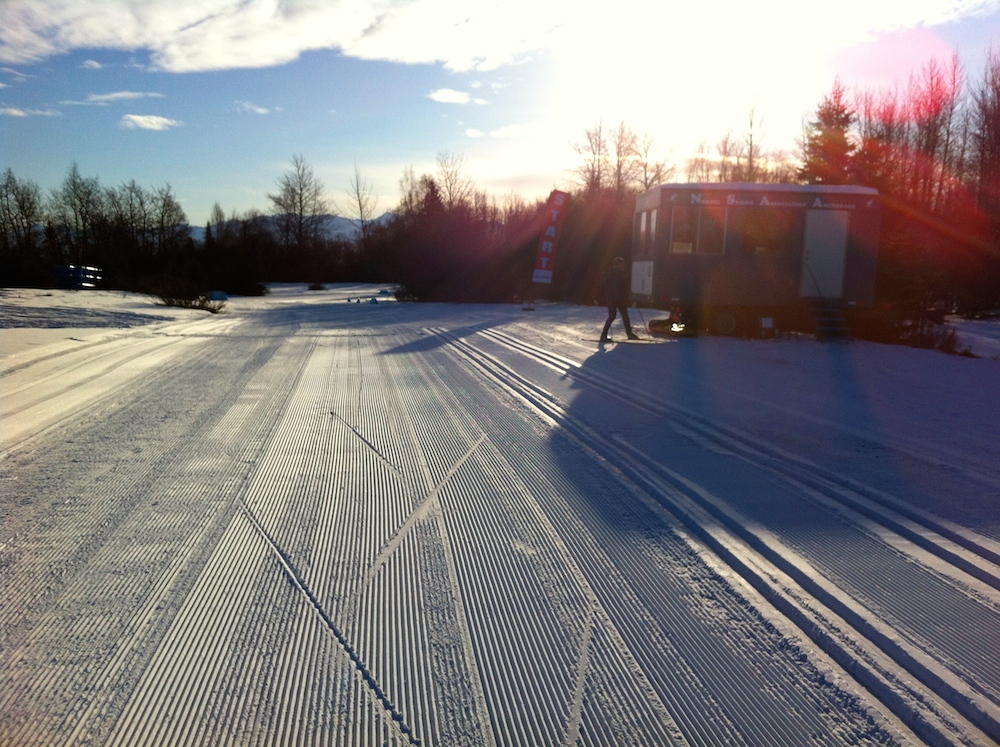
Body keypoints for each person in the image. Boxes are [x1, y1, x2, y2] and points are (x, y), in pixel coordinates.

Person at [600, 256, 640, 342]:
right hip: (613, 298)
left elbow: (623, 286)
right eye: (621, 264)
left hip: (619, 298)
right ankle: (603, 335)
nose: (623, 266)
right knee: (612, 316)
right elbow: (609, 286)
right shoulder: (612, 273)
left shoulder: (620, 273)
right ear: (617, 265)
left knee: (625, 316)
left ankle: (629, 334)